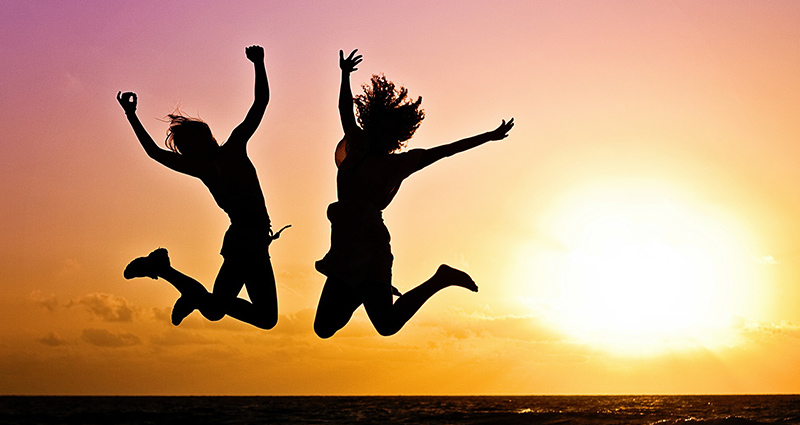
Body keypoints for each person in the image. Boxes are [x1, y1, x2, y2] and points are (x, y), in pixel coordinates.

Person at [313, 49, 514, 338]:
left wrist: (489, 136)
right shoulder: (356, 145)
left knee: (386, 325)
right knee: (323, 327)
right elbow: (345, 111)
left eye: (389, 131)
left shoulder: (399, 164)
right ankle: (363, 290)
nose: (382, 134)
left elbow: (446, 151)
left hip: (370, 248)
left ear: (395, 135)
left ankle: (440, 278)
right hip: (344, 246)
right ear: (373, 121)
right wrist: (344, 74)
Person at [117, 45, 287, 329]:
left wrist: (131, 115)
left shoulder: (212, 163)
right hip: (248, 241)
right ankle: (173, 277)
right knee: (256, 316)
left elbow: (260, 104)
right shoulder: (224, 155)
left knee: (216, 309)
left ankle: (170, 275)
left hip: (246, 239)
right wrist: (259, 62)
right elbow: (261, 103)